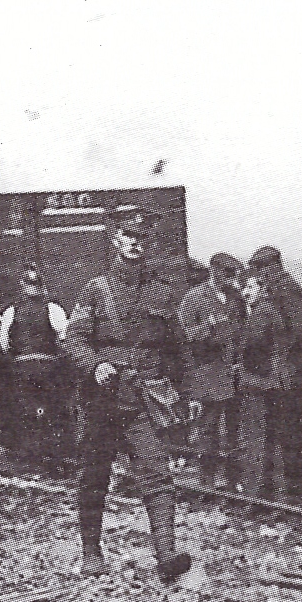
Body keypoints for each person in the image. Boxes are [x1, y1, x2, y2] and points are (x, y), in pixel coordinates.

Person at [62, 205, 197, 581]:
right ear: (116, 239)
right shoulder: (96, 289)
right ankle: (92, 552)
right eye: (129, 236)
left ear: (149, 243)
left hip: (144, 400)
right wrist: (96, 365)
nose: (136, 244)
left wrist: (190, 392)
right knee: (94, 476)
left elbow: (179, 348)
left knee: (157, 475)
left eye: (142, 238)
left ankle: (167, 556)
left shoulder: (162, 293)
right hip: (101, 400)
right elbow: (72, 339)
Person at [249, 246, 302, 502]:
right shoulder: (280, 288)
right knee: (285, 430)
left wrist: (280, 353)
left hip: (290, 373)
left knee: (290, 430)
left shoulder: (286, 289)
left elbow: (301, 329)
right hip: (286, 371)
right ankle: (294, 487)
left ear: (272, 267)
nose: (259, 276)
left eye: (261, 270)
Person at [176, 253, 244, 485]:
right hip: (207, 374)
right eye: (227, 274)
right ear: (214, 271)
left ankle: (233, 479)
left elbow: (243, 329)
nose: (231, 280)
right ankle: (207, 480)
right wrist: (210, 328)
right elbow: (184, 335)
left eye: (233, 275)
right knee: (208, 428)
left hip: (233, 372)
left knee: (235, 428)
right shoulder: (193, 298)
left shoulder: (235, 298)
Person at [0, 267, 70, 458]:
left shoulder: (11, 311)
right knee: (50, 409)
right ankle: (50, 453)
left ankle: (28, 453)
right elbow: (64, 336)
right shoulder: (53, 309)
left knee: (24, 409)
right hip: (48, 367)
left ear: (23, 286)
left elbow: (4, 343)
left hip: (22, 367)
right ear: (42, 287)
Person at [235, 267, 290, 498]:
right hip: (274, 380)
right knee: (272, 436)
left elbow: (252, 345)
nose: (244, 292)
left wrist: (238, 356)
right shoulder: (270, 310)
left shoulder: (260, 313)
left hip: (259, 381)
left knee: (254, 437)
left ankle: (253, 490)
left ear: (262, 288)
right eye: (242, 287)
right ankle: (275, 489)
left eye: (249, 287)